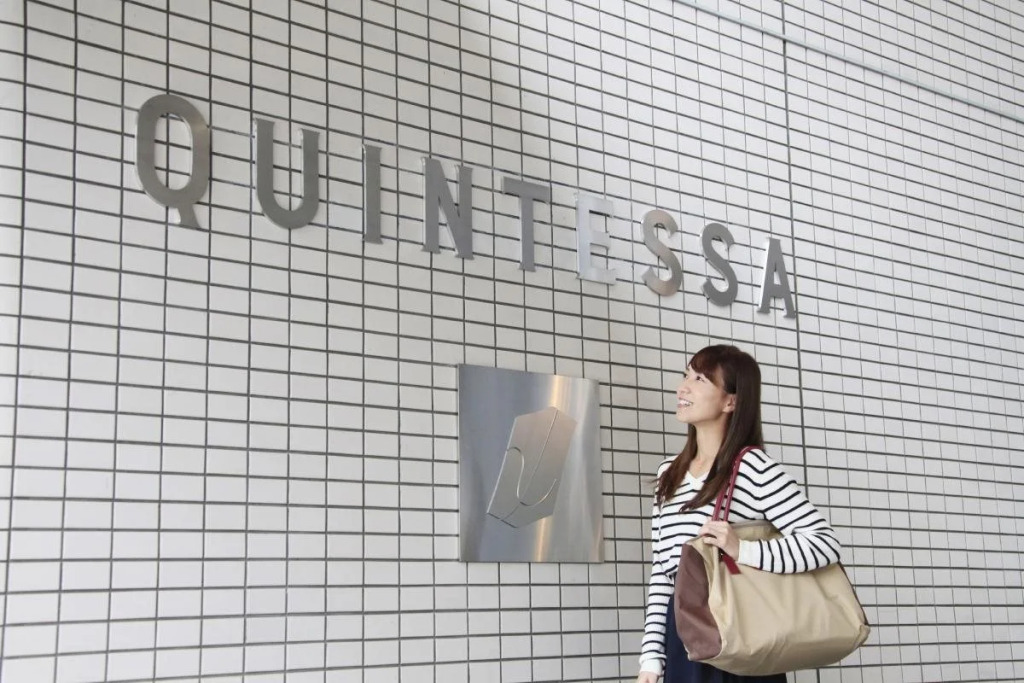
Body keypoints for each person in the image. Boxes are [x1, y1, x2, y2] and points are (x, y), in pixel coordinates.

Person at [637, 345, 843, 683]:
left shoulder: (751, 467)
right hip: (684, 636)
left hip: (740, 628)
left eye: (699, 380)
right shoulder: (668, 473)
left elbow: (824, 544)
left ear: (730, 401)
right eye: (686, 376)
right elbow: (663, 571)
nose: (683, 388)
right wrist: (651, 657)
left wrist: (743, 550)